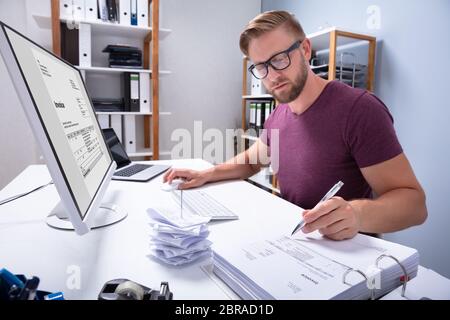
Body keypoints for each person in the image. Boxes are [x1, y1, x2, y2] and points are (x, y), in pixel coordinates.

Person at [163, 10, 427, 240]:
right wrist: (208, 173)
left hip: (348, 258)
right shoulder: (278, 115)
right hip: (294, 244)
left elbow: (414, 205)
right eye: (262, 67)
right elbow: (253, 161)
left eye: (279, 59)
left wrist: (357, 213)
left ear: (305, 50)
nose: (273, 76)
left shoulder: (359, 110)